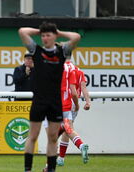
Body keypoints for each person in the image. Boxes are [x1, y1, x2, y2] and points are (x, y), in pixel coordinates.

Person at [18, 22, 81, 172]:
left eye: (48, 35)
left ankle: (51, 169)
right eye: (43, 35)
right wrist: (40, 30)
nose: (45, 38)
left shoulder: (62, 51)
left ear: (54, 36)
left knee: (53, 137)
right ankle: (28, 169)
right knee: (32, 136)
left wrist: (58, 32)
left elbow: (76, 36)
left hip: (55, 102)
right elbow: (22, 31)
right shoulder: (36, 50)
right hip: (39, 100)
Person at [42, 60, 89, 171]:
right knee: (68, 129)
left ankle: (49, 166)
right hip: (68, 104)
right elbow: (77, 90)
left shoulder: (50, 67)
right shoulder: (75, 70)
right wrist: (83, 103)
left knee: (52, 138)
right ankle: (76, 148)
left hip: (52, 105)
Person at [56, 61, 91, 166]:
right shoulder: (78, 70)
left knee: (67, 129)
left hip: (64, 102)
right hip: (73, 104)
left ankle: (81, 145)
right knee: (66, 129)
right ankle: (61, 158)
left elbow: (72, 91)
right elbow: (83, 88)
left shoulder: (60, 68)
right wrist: (87, 102)